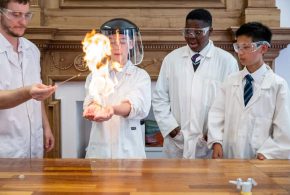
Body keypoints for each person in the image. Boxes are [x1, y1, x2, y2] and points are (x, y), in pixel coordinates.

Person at [152, 9, 239, 159]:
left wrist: (214, 133)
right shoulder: (172, 59)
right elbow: (160, 97)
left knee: (208, 181)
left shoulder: (227, 62)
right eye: (188, 31)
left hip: (209, 141)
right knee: (175, 181)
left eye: (198, 32)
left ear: (210, 31)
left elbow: (232, 102)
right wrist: (171, 127)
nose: (191, 37)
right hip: (177, 141)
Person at [207, 22, 290, 159]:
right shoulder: (230, 81)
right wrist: (216, 141)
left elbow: (284, 127)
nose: (240, 52)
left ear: (263, 48)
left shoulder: (277, 85)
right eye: (238, 47)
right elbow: (217, 114)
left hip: (261, 159)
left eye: (246, 47)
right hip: (228, 157)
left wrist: (268, 153)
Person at [83, 18, 151, 159]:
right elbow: (91, 100)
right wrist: (94, 109)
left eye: (123, 41)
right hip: (100, 150)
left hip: (130, 152)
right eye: (112, 42)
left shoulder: (140, 76)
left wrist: (112, 110)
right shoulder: (95, 74)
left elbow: (136, 106)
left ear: (132, 43)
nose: (117, 47)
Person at [0, 0, 55, 157]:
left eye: (26, 15)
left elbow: (36, 95)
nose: (23, 22)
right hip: (5, 150)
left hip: (34, 146)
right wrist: (28, 92)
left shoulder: (32, 50)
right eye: (16, 15)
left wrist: (46, 127)